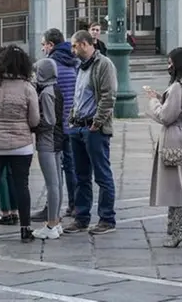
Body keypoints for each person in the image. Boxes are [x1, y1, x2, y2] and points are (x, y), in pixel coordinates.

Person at [0, 45, 40, 243]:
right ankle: (25, 229)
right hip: (21, 145)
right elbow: (35, 120)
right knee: (22, 186)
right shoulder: (27, 87)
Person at [144, 47, 182, 248]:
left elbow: (165, 116)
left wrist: (153, 101)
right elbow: (178, 108)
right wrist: (162, 97)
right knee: (176, 184)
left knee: (174, 186)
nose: (168, 66)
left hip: (174, 138)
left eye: (170, 62)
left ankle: (178, 231)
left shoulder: (179, 86)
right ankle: (174, 229)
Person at [63, 30, 118, 236]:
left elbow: (109, 96)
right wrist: (71, 118)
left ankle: (107, 219)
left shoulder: (103, 65)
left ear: (85, 44)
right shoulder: (81, 66)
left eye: (75, 45)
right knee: (81, 175)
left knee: (102, 174)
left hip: (94, 129)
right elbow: (79, 97)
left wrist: (96, 123)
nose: (72, 49)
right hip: (77, 126)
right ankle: (81, 218)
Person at [32, 28, 78, 221]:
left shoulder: (51, 65)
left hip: (55, 125)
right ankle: (75, 205)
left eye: (43, 44)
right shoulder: (74, 62)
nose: (42, 48)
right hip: (71, 122)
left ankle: (52, 210)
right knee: (71, 167)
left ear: (51, 45)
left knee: (54, 173)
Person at [32, 58, 65, 240]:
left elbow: (49, 121)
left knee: (52, 183)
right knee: (58, 183)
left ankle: (51, 224)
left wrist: (34, 124)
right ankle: (56, 221)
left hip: (47, 141)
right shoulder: (55, 88)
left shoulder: (45, 92)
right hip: (57, 139)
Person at [0, 47, 20, 226]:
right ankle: (14, 210)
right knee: (12, 174)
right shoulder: (22, 82)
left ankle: (5, 211)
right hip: (17, 136)